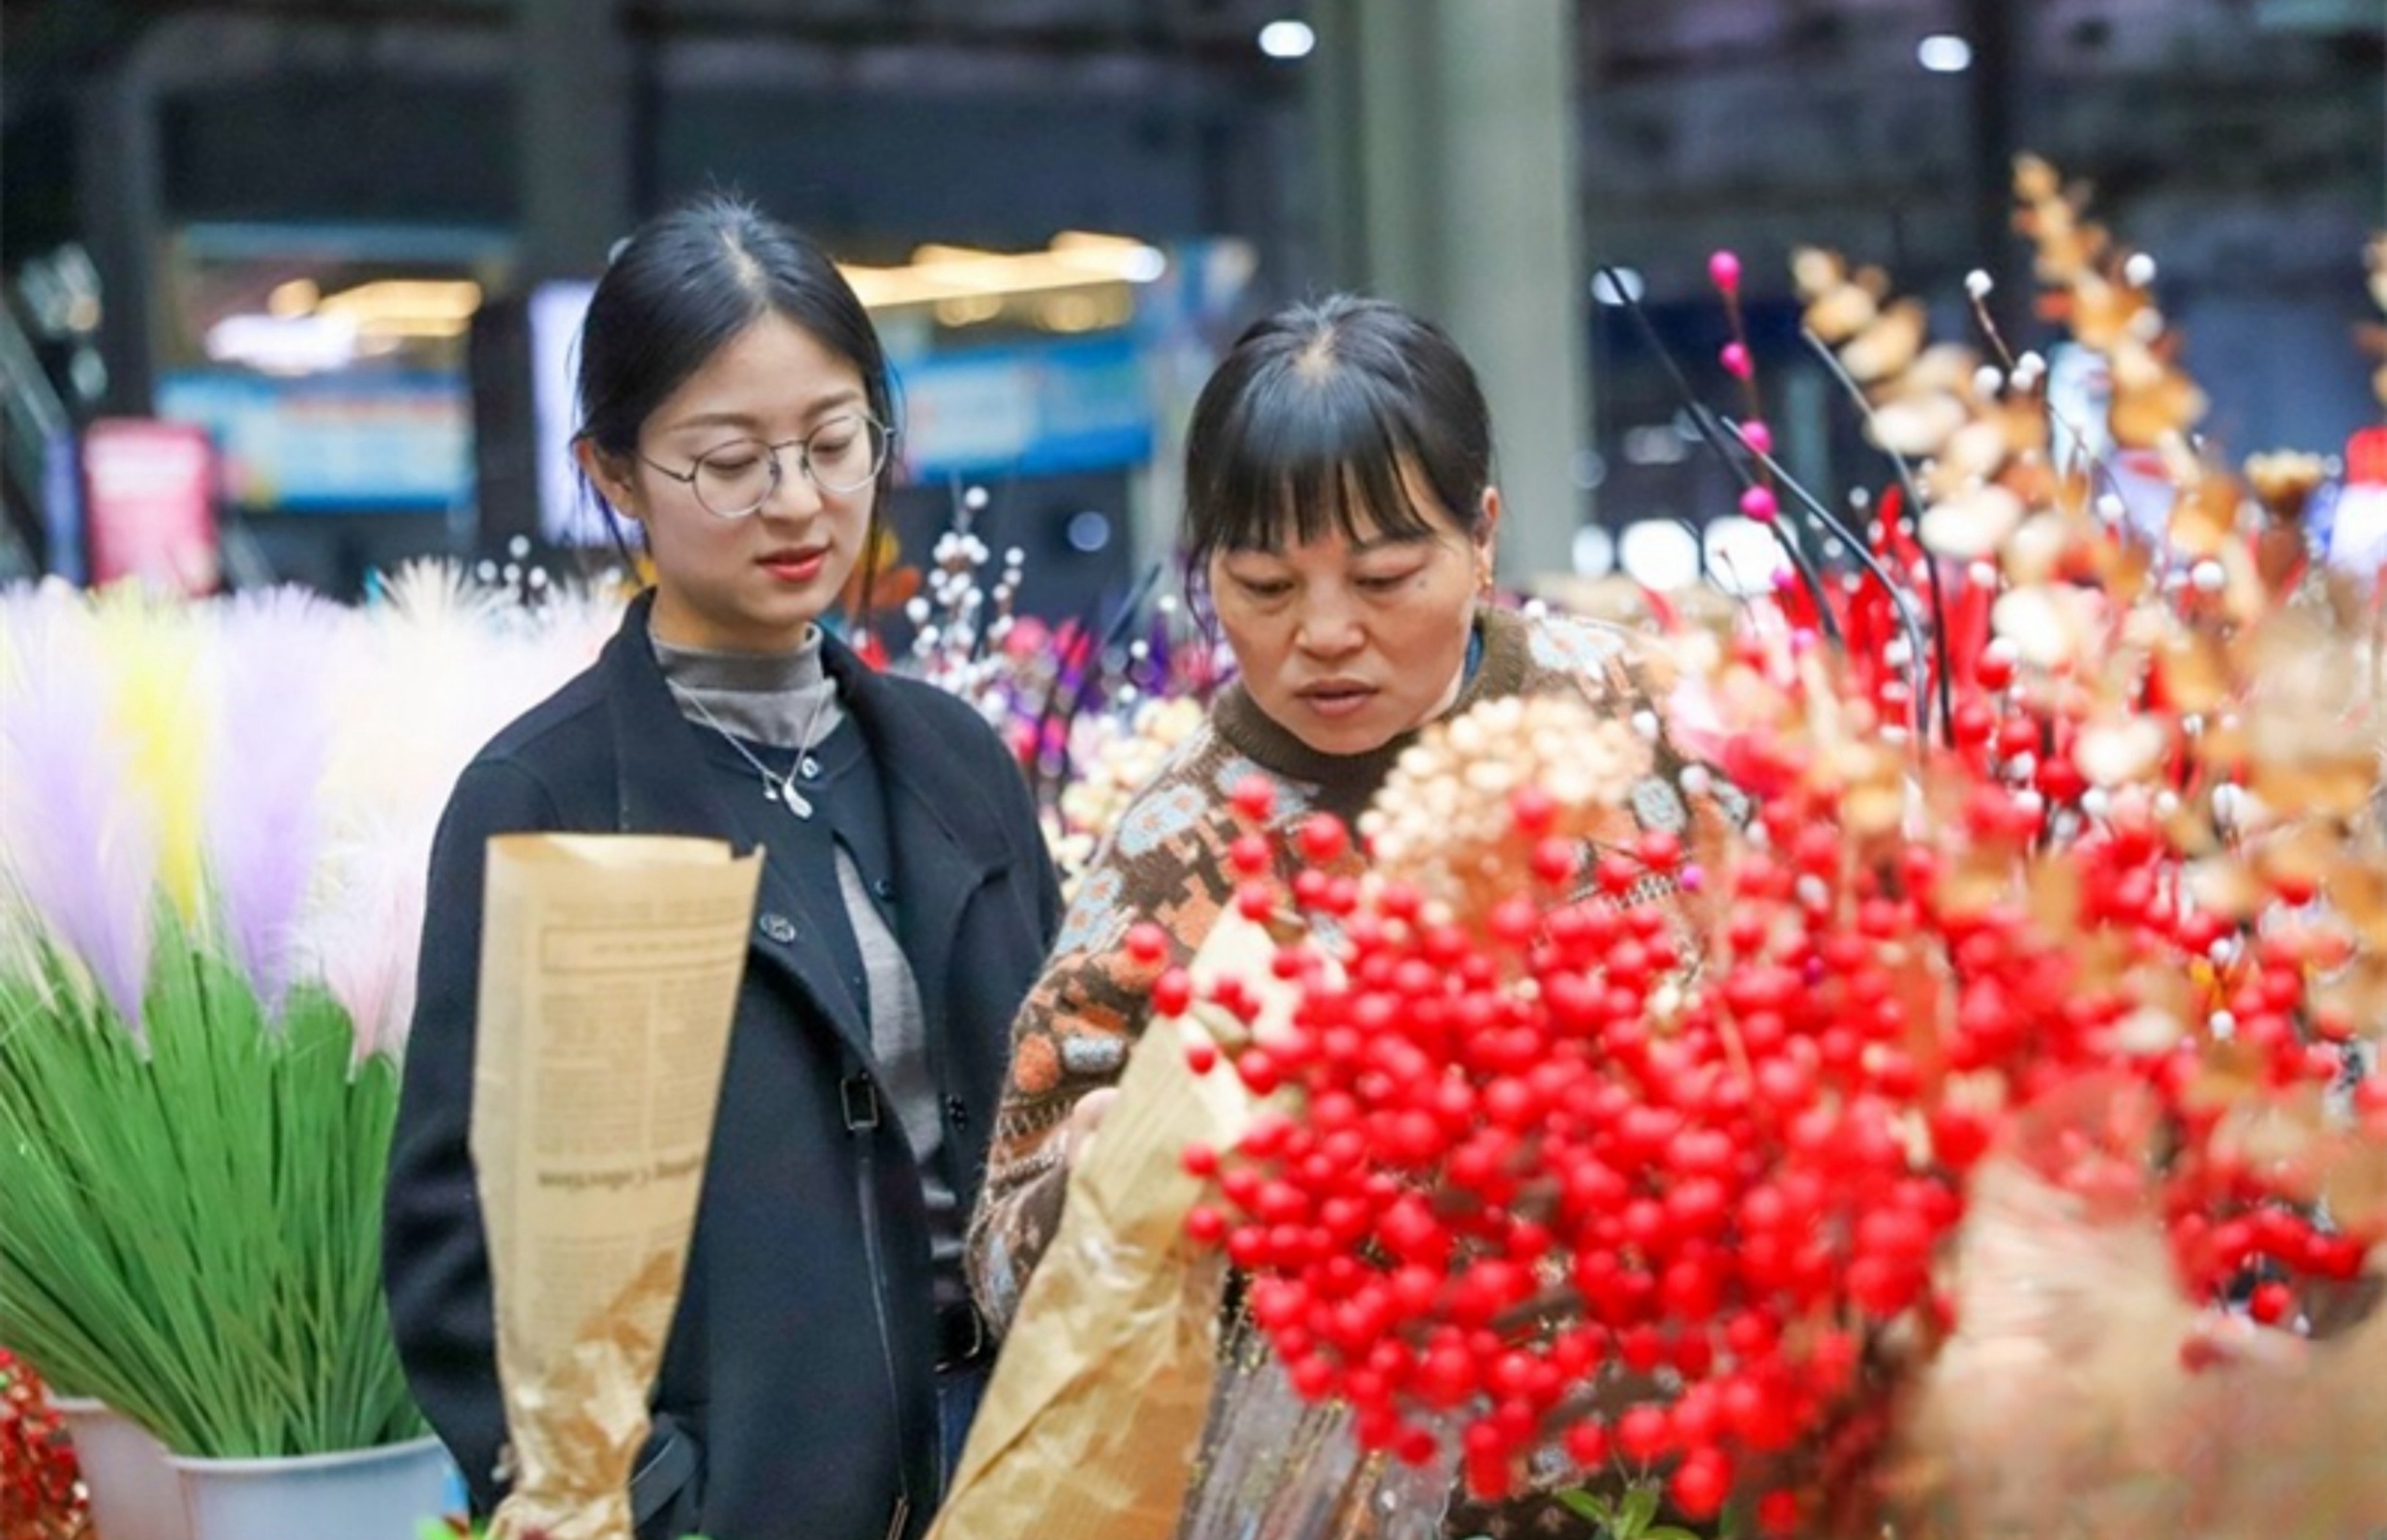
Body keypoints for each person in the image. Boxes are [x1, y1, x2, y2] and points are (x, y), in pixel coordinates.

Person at [962, 295, 1709, 1536]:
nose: (1323, 635)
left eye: (1383, 576)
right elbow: (1003, 1257)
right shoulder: (1176, 852)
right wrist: (1100, 1175)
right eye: (1262, 584)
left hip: (1693, 1470)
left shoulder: (1634, 718)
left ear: (1482, 533)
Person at [386, 193, 1060, 1540]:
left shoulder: (954, 760)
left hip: (1027, 1469)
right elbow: (463, 1250)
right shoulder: (549, 798)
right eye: (729, 460)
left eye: (831, 442)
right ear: (618, 472)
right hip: (752, 1498)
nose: (798, 501)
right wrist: (652, 1501)